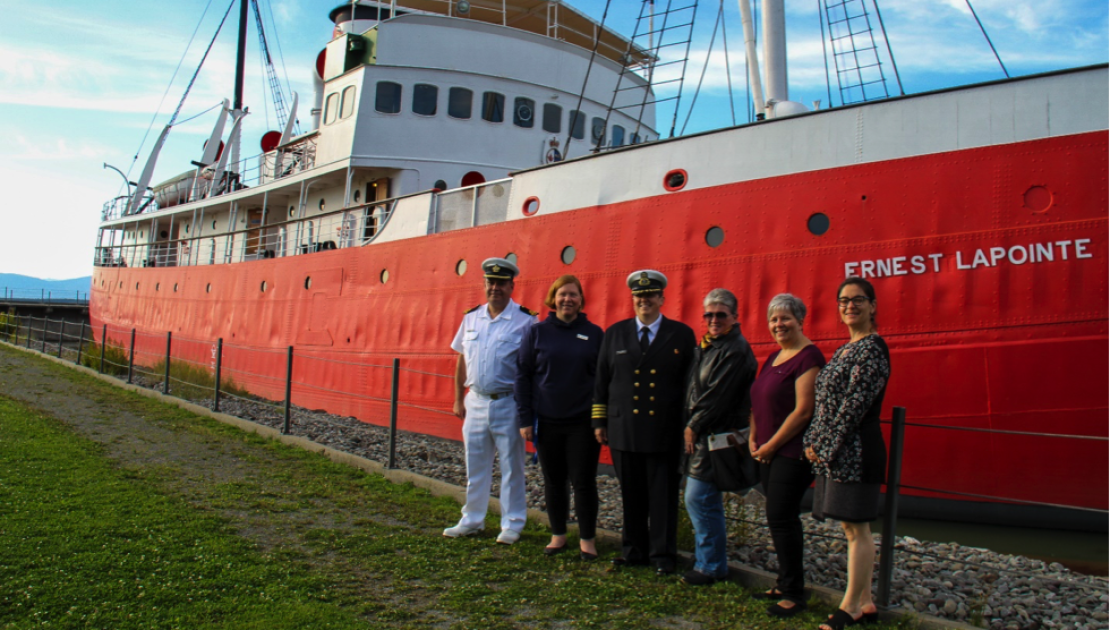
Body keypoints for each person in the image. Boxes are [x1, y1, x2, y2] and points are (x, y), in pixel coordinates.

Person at [592, 270, 696, 575]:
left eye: (651, 295)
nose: (644, 300)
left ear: (662, 299)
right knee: (631, 494)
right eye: (639, 296)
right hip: (624, 429)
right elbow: (602, 380)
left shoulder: (680, 334)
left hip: (664, 429)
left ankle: (663, 555)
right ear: (633, 299)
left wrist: (689, 425)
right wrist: (599, 422)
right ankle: (634, 550)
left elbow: (690, 384)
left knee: (663, 496)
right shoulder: (615, 334)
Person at [803, 278, 891, 630]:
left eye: (857, 300)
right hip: (837, 454)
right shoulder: (845, 349)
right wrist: (814, 440)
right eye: (843, 301)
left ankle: (850, 605)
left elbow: (852, 409)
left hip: (856, 452)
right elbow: (824, 405)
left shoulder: (873, 349)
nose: (849, 306)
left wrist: (820, 448)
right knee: (851, 528)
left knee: (857, 530)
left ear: (872, 306)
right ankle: (867, 602)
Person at [444, 257, 538, 545]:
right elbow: (461, 358)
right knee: (476, 464)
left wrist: (527, 411)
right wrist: (458, 398)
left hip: (508, 403)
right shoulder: (471, 317)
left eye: (501, 283)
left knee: (512, 467)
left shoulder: (527, 320)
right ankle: (472, 519)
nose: (495, 287)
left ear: (511, 286)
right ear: (484, 284)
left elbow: (533, 369)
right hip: (476, 402)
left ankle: (512, 524)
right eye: (490, 282)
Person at [515, 275, 604, 560]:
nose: (568, 299)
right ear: (553, 299)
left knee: (584, 481)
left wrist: (599, 420)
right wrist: (525, 419)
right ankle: (558, 535)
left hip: (582, 422)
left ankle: (587, 539)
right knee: (553, 480)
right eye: (562, 294)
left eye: (573, 295)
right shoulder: (537, 332)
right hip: (548, 420)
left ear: (581, 300)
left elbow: (603, 380)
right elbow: (524, 375)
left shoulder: (594, 333)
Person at [748, 294, 826, 617]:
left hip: (791, 452)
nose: (778, 325)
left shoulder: (809, 357)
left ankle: (794, 593)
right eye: (773, 320)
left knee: (782, 517)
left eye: (785, 319)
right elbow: (757, 399)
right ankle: (783, 582)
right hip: (767, 449)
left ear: (800, 320)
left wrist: (770, 445)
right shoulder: (774, 357)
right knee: (776, 517)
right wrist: (754, 436)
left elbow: (804, 410)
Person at [681, 288, 758, 586]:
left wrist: (692, 425)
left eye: (721, 315)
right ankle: (707, 561)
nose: (714, 319)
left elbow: (717, 396)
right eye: (709, 314)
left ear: (734, 317)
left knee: (699, 498)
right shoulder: (712, 345)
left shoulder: (734, 349)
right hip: (708, 436)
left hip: (714, 437)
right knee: (702, 498)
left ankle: (711, 566)